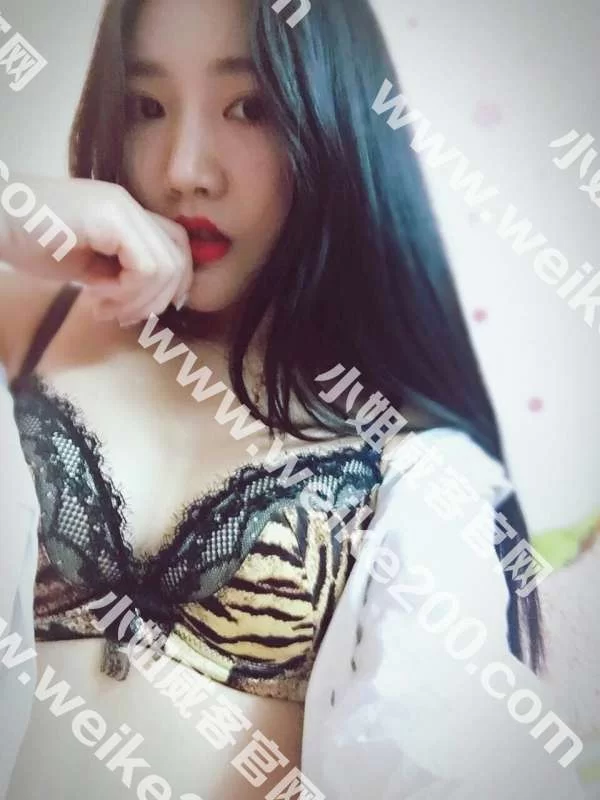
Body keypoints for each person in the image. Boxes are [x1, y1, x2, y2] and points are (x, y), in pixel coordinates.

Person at [0, 0, 585, 797]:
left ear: (333, 115)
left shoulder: (408, 460)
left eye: (249, 107)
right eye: (146, 106)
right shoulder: (32, 319)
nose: (184, 168)